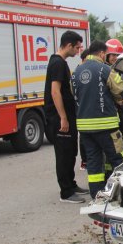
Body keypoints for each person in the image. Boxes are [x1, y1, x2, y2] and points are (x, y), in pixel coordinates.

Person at [72, 40, 123, 198]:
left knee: (94, 162)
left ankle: (96, 195)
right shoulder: (105, 69)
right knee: (119, 158)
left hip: (85, 128)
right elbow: (120, 90)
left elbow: (74, 94)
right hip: (106, 125)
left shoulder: (76, 71)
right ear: (102, 53)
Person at [44, 30, 89, 203]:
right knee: (64, 153)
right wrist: (62, 117)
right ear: (69, 45)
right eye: (77, 48)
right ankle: (66, 192)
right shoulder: (57, 63)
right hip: (60, 118)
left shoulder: (60, 62)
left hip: (68, 116)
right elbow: (55, 91)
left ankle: (71, 184)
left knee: (70, 151)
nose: (78, 51)